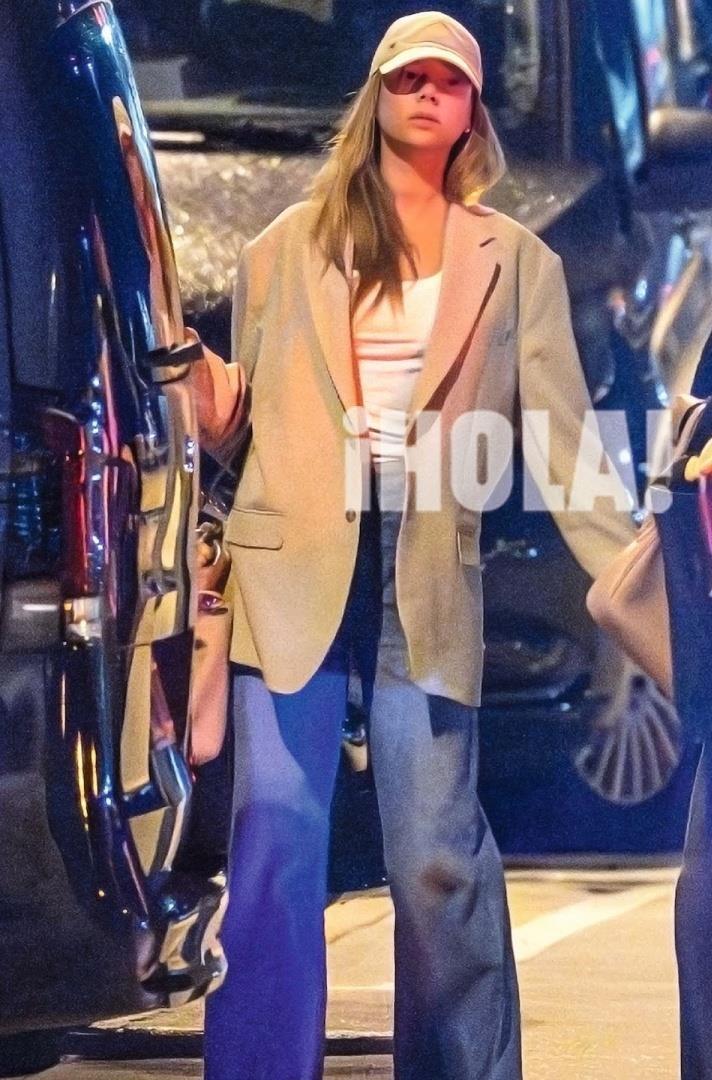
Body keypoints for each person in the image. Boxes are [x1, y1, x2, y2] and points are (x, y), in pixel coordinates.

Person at [192, 12, 636, 1079]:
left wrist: (648, 584)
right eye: (407, 79)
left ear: (472, 109)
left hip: (425, 571)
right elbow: (239, 431)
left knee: (437, 858)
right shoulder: (282, 247)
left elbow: (567, 448)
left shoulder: (515, 262)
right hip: (288, 562)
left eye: (448, 81)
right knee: (275, 837)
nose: (427, 94)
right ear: (377, 98)